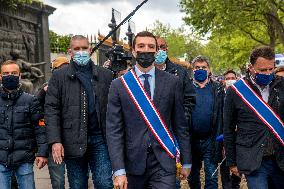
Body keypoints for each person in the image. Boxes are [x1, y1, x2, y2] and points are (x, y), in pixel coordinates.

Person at [106, 31, 191, 189]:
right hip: (132, 162)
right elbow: (114, 130)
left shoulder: (173, 82)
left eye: (151, 46)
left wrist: (186, 160)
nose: (146, 50)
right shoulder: (119, 85)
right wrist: (118, 170)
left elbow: (180, 125)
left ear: (157, 51)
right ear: (133, 50)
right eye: (141, 46)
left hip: (164, 160)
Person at [45, 35, 113, 189]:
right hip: (72, 140)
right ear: (70, 51)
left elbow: (113, 109)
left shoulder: (105, 75)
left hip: (100, 139)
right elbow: (51, 109)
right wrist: (55, 140)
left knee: (104, 183)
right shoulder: (59, 76)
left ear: (90, 50)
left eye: (84, 48)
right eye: (77, 49)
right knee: (77, 185)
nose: (81, 51)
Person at [224, 46, 284, 189]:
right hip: (254, 159)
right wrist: (232, 162)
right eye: (263, 70)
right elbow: (228, 128)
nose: (268, 73)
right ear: (251, 67)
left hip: (281, 158)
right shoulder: (236, 91)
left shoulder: (282, 86)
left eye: (271, 69)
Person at [154, 37, 196, 188]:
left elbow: (189, 99)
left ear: (167, 49)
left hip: (173, 134)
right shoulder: (141, 73)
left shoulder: (180, 72)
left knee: (172, 180)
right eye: (156, 47)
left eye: (163, 47)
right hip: (150, 132)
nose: (159, 50)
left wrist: (180, 118)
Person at [0, 60, 48, 189]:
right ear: (0, 77)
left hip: (24, 160)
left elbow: (40, 128)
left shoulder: (30, 100)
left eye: (14, 73)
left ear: (19, 76)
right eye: (6, 73)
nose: (10, 76)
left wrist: (42, 153)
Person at [188, 55, 224, 189]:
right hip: (191, 140)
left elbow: (222, 113)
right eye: (197, 67)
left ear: (209, 70)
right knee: (193, 176)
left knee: (212, 176)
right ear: (193, 70)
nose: (200, 70)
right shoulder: (186, 88)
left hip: (211, 139)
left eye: (204, 67)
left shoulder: (218, 89)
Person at [37, 56, 69, 189]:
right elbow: (35, 109)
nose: (63, 71)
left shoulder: (76, 86)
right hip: (54, 139)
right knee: (58, 180)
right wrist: (42, 93)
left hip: (73, 138)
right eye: (59, 69)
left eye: (66, 68)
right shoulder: (46, 88)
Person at [216, 70, 241, 189]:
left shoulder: (242, 95)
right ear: (223, 81)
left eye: (232, 77)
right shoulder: (219, 95)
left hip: (238, 136)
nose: (230, 80)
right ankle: (226, 185)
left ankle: (235, 184)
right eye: (227, 78)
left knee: (238, 161)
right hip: (222, 134)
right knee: (224, 162)